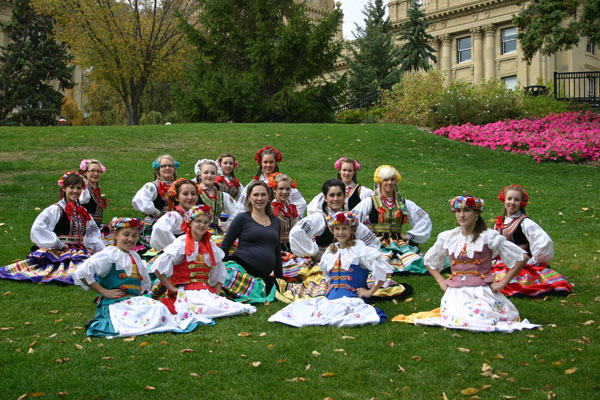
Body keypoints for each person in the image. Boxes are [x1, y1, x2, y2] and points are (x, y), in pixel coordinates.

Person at [392, 195, 539, 332]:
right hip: (455, 292)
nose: (461, 215)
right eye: (458, 211)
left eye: (467, 211)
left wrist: (502, 283)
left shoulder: (488, 237)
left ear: (476, 213)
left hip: (481, 290)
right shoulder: (448, 236)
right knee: (457, 318)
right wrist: (441, 281)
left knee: (480, 317)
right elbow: (429, 261)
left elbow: (521, 257)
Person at [73, 217, 205, 338]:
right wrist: (103, 291)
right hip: (115, 304)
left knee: (158, 308)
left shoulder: (134, 256)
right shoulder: (109, 254)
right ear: (116, 235)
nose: (130, 239)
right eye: (126, 234)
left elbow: (144, 284)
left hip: (131, 301)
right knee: (152, 309)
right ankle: (101, 324)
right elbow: (82, 272)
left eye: (134, 235)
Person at [283, 179, 409, 302]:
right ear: (325, 198)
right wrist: (316, 253)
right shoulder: (320, 218)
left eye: (339, 195)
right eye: (331, 195)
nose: (336, 199)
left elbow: (373, 243)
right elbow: (296, 233)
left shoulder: (351, 221)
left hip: (350, 267)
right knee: (320, 289)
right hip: (326, 265)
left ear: (344, 196)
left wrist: (362, 259)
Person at [269, 212, 392, 327]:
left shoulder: (360, 249)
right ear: (332, 231)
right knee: (299, 308)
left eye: (344, 228)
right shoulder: (330, 251)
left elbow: (385, 269)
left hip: (352, 300)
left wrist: (369, 292)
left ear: (352, 230)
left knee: (337, 314)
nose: (341, 232)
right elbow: (329, 277)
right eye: (337, 229)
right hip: (330, 299)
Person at [151, 205, 256, 322]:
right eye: (198, 221)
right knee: (205, 308)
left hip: (205, 290)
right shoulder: (181, 242)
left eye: (206, 222)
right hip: (187, 291)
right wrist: (171, 287)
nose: (202, 225)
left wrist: (216, 291)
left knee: (220, 306)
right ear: (189, 222)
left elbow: (219, 271)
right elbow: (157, 267)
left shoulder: (210, 245)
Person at [0, 171, 105, 284]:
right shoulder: (56, 209)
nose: (75, 191)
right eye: (72, 187)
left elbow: (93, 231)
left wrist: (92, 247)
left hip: (79, 250)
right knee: (75, 272)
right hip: (59, 251)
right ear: (64, 188)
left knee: (100, 269)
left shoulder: (83, 212)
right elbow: (39, 227)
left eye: (78, 188)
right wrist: (57, 244)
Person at [491, 185, 572, 296]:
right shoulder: (500, 222)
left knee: (508, 282)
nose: (512, 202)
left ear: (521, 203)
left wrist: (532, 261)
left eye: (516, 200)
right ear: (504, 200)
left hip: (520, 262)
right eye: (509, 199)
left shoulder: (525, 223)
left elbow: (544, 242)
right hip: (502, 261)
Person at [352, 165, 432, 274]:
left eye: (392, 179)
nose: (389, 182)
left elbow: (423, 219)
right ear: (380, 182)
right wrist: (366, 235)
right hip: (376, 242)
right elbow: (352, 219)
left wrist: (409, 235)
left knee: (415, 260)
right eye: (386, 179)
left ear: (396, 181)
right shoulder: (371, 201)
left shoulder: (403, 202)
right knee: (376, 259)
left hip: (399, 242)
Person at [220, 180, 282, 303]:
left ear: (269, 196)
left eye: (263, 195)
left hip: (261, 275)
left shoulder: (275, 221)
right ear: (249, 197)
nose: (259, 198)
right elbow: (225, 246)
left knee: (266, 289)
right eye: (256, 195)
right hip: (241, 267)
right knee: (230, 280)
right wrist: (219, 269)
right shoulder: (242, 218)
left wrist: (280, 278)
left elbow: (277, 252)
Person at [238, 145, 307, 217]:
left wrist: (289, 219)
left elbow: (301, 203)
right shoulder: (253, 183)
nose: (268, 165)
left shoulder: (283, 182)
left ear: (275, 163)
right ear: (261, 163)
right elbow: (241, 206)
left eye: (271, 162)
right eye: (265, 162)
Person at [132, 155, 180, 246]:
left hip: (173, 223)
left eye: (170, 166)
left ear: (174, 168)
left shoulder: (178, 185)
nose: (167, 168)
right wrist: (156, 212)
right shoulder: (152, 186)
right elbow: (139, 200)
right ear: (158, 169)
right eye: (163, 166)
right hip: (155, 222)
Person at [307, 157, 374, 215]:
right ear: (339, 171)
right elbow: (313, 208)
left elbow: (373, 203)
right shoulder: (331, 188)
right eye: (344, 170)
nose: (346, 173)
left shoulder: (361, 191)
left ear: (354, 172)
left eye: (350, 170)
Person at [150, 178, 200, 252]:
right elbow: (159, 228)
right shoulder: (173, 216)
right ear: (176, 197)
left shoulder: (196, 214)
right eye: (185, 194)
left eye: (193, 194)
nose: (190, 197)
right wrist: (177, 248)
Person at [193, 159, 239, 233]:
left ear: (216, 175)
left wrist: (227, 226)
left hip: (216, 232)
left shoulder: (222, 195)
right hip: (198, 232)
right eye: (206, 172)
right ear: (200, 175)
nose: (209, 175)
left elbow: (237, 213)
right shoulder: (194, 194)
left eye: (213, 173)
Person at [78, 159, 108, 230]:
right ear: (85, 172)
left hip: (94, 228)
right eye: (92, 171)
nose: (95, 174)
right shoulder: (84, 189)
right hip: (85, 229)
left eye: (98, 171)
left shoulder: (93, 189)